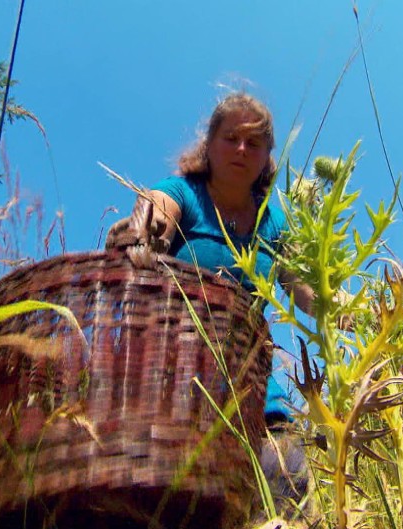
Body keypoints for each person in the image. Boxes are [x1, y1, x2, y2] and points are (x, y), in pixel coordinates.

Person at [105, 92, 315, 518]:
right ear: (209, 144)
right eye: (231, 137)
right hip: (176, 387)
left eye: (254, 142)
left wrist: (355, 306)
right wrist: (147, 230)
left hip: (257, 395)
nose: (241, 148)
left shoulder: (274, 223)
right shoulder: (183, 192)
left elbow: (307, 294)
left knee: (286, 492)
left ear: (267, 157)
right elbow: (156, 209)